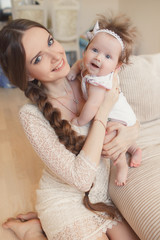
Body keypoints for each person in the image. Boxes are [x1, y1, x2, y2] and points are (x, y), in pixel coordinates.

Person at [0, 18, 140, 240]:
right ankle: (32, 231)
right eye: (38, 58)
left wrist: (130, 134)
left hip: (101, 196)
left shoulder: (92, 75)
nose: (56, 55)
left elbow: (129, 118)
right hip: (64, 200)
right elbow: (81, 178)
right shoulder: (31, 115)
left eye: (50, 41)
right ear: (27, 74)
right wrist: (102, 111)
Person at [67, 15, 142, 186]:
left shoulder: (99, 83)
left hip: (118, 116)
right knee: (120, 135)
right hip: (121, 113)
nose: (98, 58)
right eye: (94, 50)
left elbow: (93, 105)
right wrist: (73, 70)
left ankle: (121, 165)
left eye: (108, 56)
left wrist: (80, 120)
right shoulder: (88, 65)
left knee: (109, 137)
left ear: (116, 67)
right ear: (86, 50)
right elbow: (80, 63)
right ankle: (135, 149)